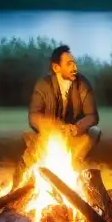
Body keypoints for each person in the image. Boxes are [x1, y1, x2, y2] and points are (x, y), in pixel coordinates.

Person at [13, 45, 101, 185]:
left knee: (94, 133)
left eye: (74, 63)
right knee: (35, 150)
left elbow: (93, 116)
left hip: (73, 135)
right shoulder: (43, 84)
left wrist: (75, 127)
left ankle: (71, 167)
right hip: (50, 134)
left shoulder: (82, 83)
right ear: (56, 68)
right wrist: (50, 126)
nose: (75, 68)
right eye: (69, 64)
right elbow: (33, 115)